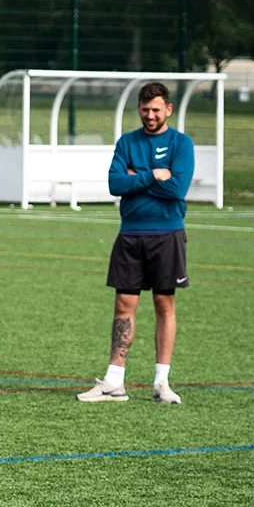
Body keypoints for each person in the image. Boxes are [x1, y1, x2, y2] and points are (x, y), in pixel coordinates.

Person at [79, 81, 193, 404]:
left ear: (168, 110)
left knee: (163, 304)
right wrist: (151, 175)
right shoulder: (127, 142)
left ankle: (162, 382)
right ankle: (115, 382)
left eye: (156, 109)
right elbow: (115, 183)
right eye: (145, 110)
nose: (151, 115)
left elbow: (177, 189)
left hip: (167, 234)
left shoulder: (181, 145)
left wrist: (136, 179)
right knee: (123, 305)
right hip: (130, 234)